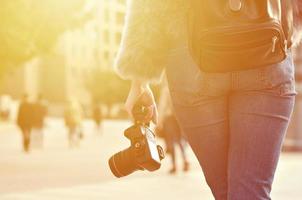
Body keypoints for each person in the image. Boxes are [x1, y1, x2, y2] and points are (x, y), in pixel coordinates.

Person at [114, 1, 302, 199]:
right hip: (269, 40)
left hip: (191, 54)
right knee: (250, 192)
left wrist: (140, 80)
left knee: (225, 192)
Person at [157, 81, 189, 174]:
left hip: (169, 119)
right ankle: (185, 160)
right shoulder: (181, 88)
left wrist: (159, 122)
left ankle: (174, 165)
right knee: (180, 140)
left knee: (170, 141)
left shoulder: (166, 89)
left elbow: (162, 106)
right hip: (179, 118)